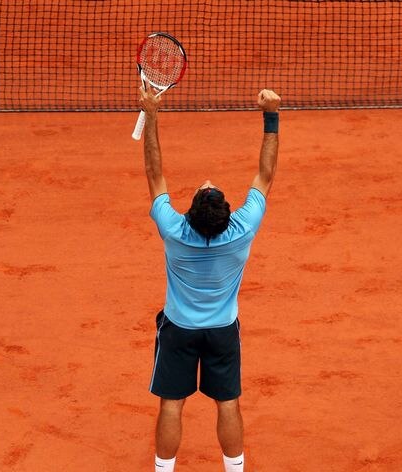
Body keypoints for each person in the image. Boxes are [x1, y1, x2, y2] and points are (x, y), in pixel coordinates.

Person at [139, 84, 281, 472]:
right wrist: (272, 115)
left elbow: (155, 172)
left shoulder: (172, 230)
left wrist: (152, 115)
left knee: (171, 402)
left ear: (189, 212)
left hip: (178, 329)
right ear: (226, 213)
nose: (207, 180)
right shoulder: (242, 230)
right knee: (228, 401)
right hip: (221, 330)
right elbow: (265, 174)